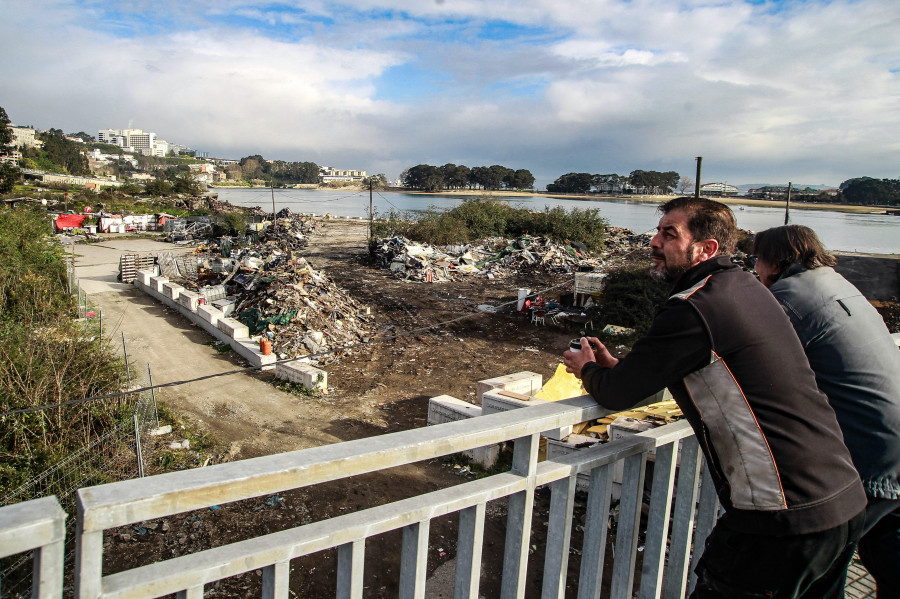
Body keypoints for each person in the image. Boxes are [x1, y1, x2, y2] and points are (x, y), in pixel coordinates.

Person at [563, 197, 866, 599]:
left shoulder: (695, 307)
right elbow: (662, 373)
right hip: (839, 499)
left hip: (781, 514)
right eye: (657, 230)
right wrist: (617, 368)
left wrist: (587, 369)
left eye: (669, 234)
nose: (653, 242)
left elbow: (618, 395)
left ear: (707, 249)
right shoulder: (744, 288)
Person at [753, 224, 900, 597]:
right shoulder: (837, 283)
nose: (755, 269)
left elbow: (750, 364)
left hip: (867, 454)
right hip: (892, 443)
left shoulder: (787, 297)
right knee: (887, 552)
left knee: (813, 565)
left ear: (775, 261)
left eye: (757, 259)